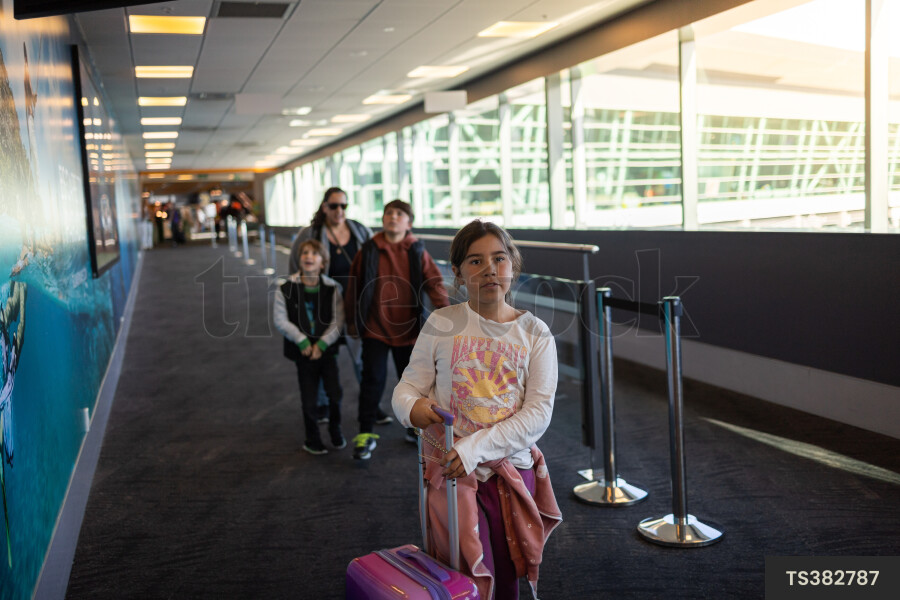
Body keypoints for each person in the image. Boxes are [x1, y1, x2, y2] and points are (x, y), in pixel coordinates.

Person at [392, 220, 562, 599]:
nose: (489, 269)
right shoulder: (442, 324)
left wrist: (475, 449)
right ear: (457, 273)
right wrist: (414, 409)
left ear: (512, 266)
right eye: (475, 261)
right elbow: (406, 388)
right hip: (451, 473)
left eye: (499, 258)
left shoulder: (534, 333)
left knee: (504, 568)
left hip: (509, 471)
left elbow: (537, 414)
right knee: (461, 567)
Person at [345, 200, 449, 460]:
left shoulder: (416, 250)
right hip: (374, 328)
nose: (393, 217)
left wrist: (446, 315)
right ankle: (365, 433)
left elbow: (434, 282)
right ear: (383, 219)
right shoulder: (369, 249)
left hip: (409, 331)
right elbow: (354, 286)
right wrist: (351, 321)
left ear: (408, 223)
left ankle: (413, 428)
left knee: (414, 384)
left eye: (399, 214)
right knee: (373, 381)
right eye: (389, 213)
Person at [290, 188, 373, 422]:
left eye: (343, 206)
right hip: (322, 305)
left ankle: (371, 404)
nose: (339, 211)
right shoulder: (311, 233)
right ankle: (322, 405)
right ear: (324, 207)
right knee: (323, 354)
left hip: (356, 303)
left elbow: (373, 262)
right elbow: (295, 264)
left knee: (362, 357)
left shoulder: (359, 230)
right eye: (334, 206)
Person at [273, 239, 346, 455]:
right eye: (304, 252)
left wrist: (322, 343)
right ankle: (312, 439)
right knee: (309, 399)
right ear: (299, 258)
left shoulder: (333, 288)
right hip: (302, 353)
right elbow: (280, 319)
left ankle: (335, 429)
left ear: (323, 262)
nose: (308, 256)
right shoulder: (285, 288)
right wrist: (302, 340)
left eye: (314, 253)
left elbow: (338, 321)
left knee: (335, 395)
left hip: (326, 351)